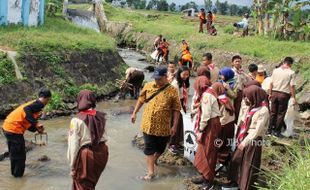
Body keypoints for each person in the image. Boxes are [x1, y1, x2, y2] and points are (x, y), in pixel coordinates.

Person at [131, 66, 181, 180]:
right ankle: (150, 173)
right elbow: (141, 100)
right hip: (148, 124)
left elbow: (177, 110)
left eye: (159, 79)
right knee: (149, 148)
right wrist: (134, 113)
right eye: (156, 78)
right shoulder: (149, 86)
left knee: (161, 148)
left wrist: (174, 126)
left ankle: (155, 159)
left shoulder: (172, 90)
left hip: (163, 126)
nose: (157, 81)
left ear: (165, 77)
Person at [223, 85, 269, 190]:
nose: (246, 99)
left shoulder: (263, 110)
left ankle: (244, 186)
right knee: (236, 159)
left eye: (247, 97)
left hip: (253, 140)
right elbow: (243, 119)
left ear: (255, 96)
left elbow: (257, 130)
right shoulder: (252, 105)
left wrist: (244, 142)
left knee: (248, 164)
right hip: (244, 136)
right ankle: (234, 181)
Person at [2, 88, 51, 177]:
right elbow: (26, 110)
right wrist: (36, 124)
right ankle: (18, 178)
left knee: (14, 153)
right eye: (48, 100)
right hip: (13, 129)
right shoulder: (39, 104)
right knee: (20, 155)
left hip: (8, 127)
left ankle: (15, 176)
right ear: (47, 99)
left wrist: (37, 129)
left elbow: (28, 122)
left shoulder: (34, 104)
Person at [67, 90, 108, 190]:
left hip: (87, 154)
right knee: (91, 183)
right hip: (102, 152)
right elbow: (105, 136)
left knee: (81, 184)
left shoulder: (76, 120)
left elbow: (73, 146)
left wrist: (72, 166)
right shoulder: (102, 116)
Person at [191, 76, 222, 190]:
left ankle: (209, 181)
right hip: (211, 123)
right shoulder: (210, 91)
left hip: (210, 125)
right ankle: (204, 175)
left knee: (208, 151)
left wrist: (200, 130)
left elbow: (206, 115)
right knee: (204, 149)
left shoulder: (207, 95)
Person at [268, 57, 297, 137]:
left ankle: (270, 130)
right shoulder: (291, 72)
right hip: (283, 95)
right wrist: (294, 97)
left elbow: (271, 83)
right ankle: (277, 132)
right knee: (281, 113)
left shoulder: (275, 70)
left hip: (274, 93)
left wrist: (270, 93)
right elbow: (292, 86)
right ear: (290, 64)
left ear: (284, 62)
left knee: (273, 112)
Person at [212, 82, 235, 168]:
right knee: (226, 145)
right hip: (231, 124)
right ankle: (225, 162)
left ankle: (219, 164)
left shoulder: (219, 100)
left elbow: (222, 116)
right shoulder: (226, 98)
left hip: (223, 125)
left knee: (219, 144)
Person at [169, 67, 190, 154]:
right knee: (175, 123)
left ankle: (177, 142)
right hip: (175, 104)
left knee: (180, 124)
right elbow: (176, 98)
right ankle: (171, 144)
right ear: (179, 74)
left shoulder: (185, 82)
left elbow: (186, 95)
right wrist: (180, 110)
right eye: (184, 74)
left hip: (182, 103)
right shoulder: (175, 83)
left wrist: (186, 107)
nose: (186, 76)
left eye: (187, 74)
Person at [231, 55, 249, 124]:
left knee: (238, 109)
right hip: (232, 93)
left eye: (239, 61)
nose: (238, 63)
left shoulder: (242, 73)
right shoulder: (231, 72)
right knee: (232, 108)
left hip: (240, 93)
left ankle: (236, 122)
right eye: (236, 61)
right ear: (232, 63)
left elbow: (245, 82)